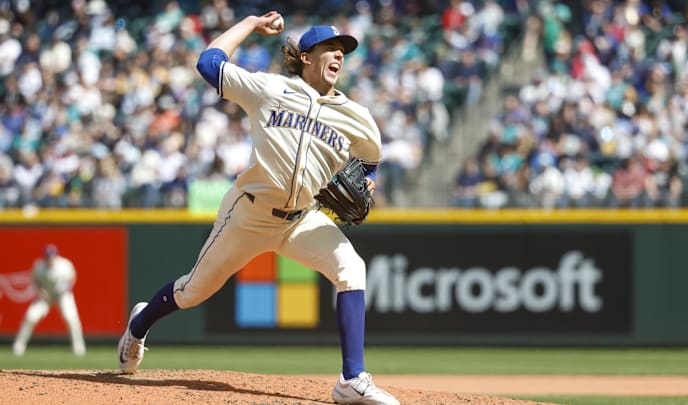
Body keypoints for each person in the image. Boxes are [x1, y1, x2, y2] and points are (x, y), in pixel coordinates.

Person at [117, 11, 400, 405]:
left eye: (342, 51)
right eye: (329, 49)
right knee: (193, 291)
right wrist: (250, 24)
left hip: (303, 219)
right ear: (305, 56)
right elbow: (208, 63)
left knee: (352, 269)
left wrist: (368, 180)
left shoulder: (358, 117)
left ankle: (351, 379)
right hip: (249, 214)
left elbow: (370, 160)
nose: (338, 56)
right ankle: (139, 323)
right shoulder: (269, 89)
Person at [13, 244, 85, 356]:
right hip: (46, 297)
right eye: (48, 256)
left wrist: (67, 287)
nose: (50, 259)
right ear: (45, 257)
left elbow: (72, 278)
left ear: (56, 256)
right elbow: (35, 281)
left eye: (52, 256)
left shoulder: (65, 265)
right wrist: (39, 291)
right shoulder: (39, 266)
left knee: (70, 318)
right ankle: (19, 345)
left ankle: (78, 346)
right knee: (31, 316)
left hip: (63, 295)